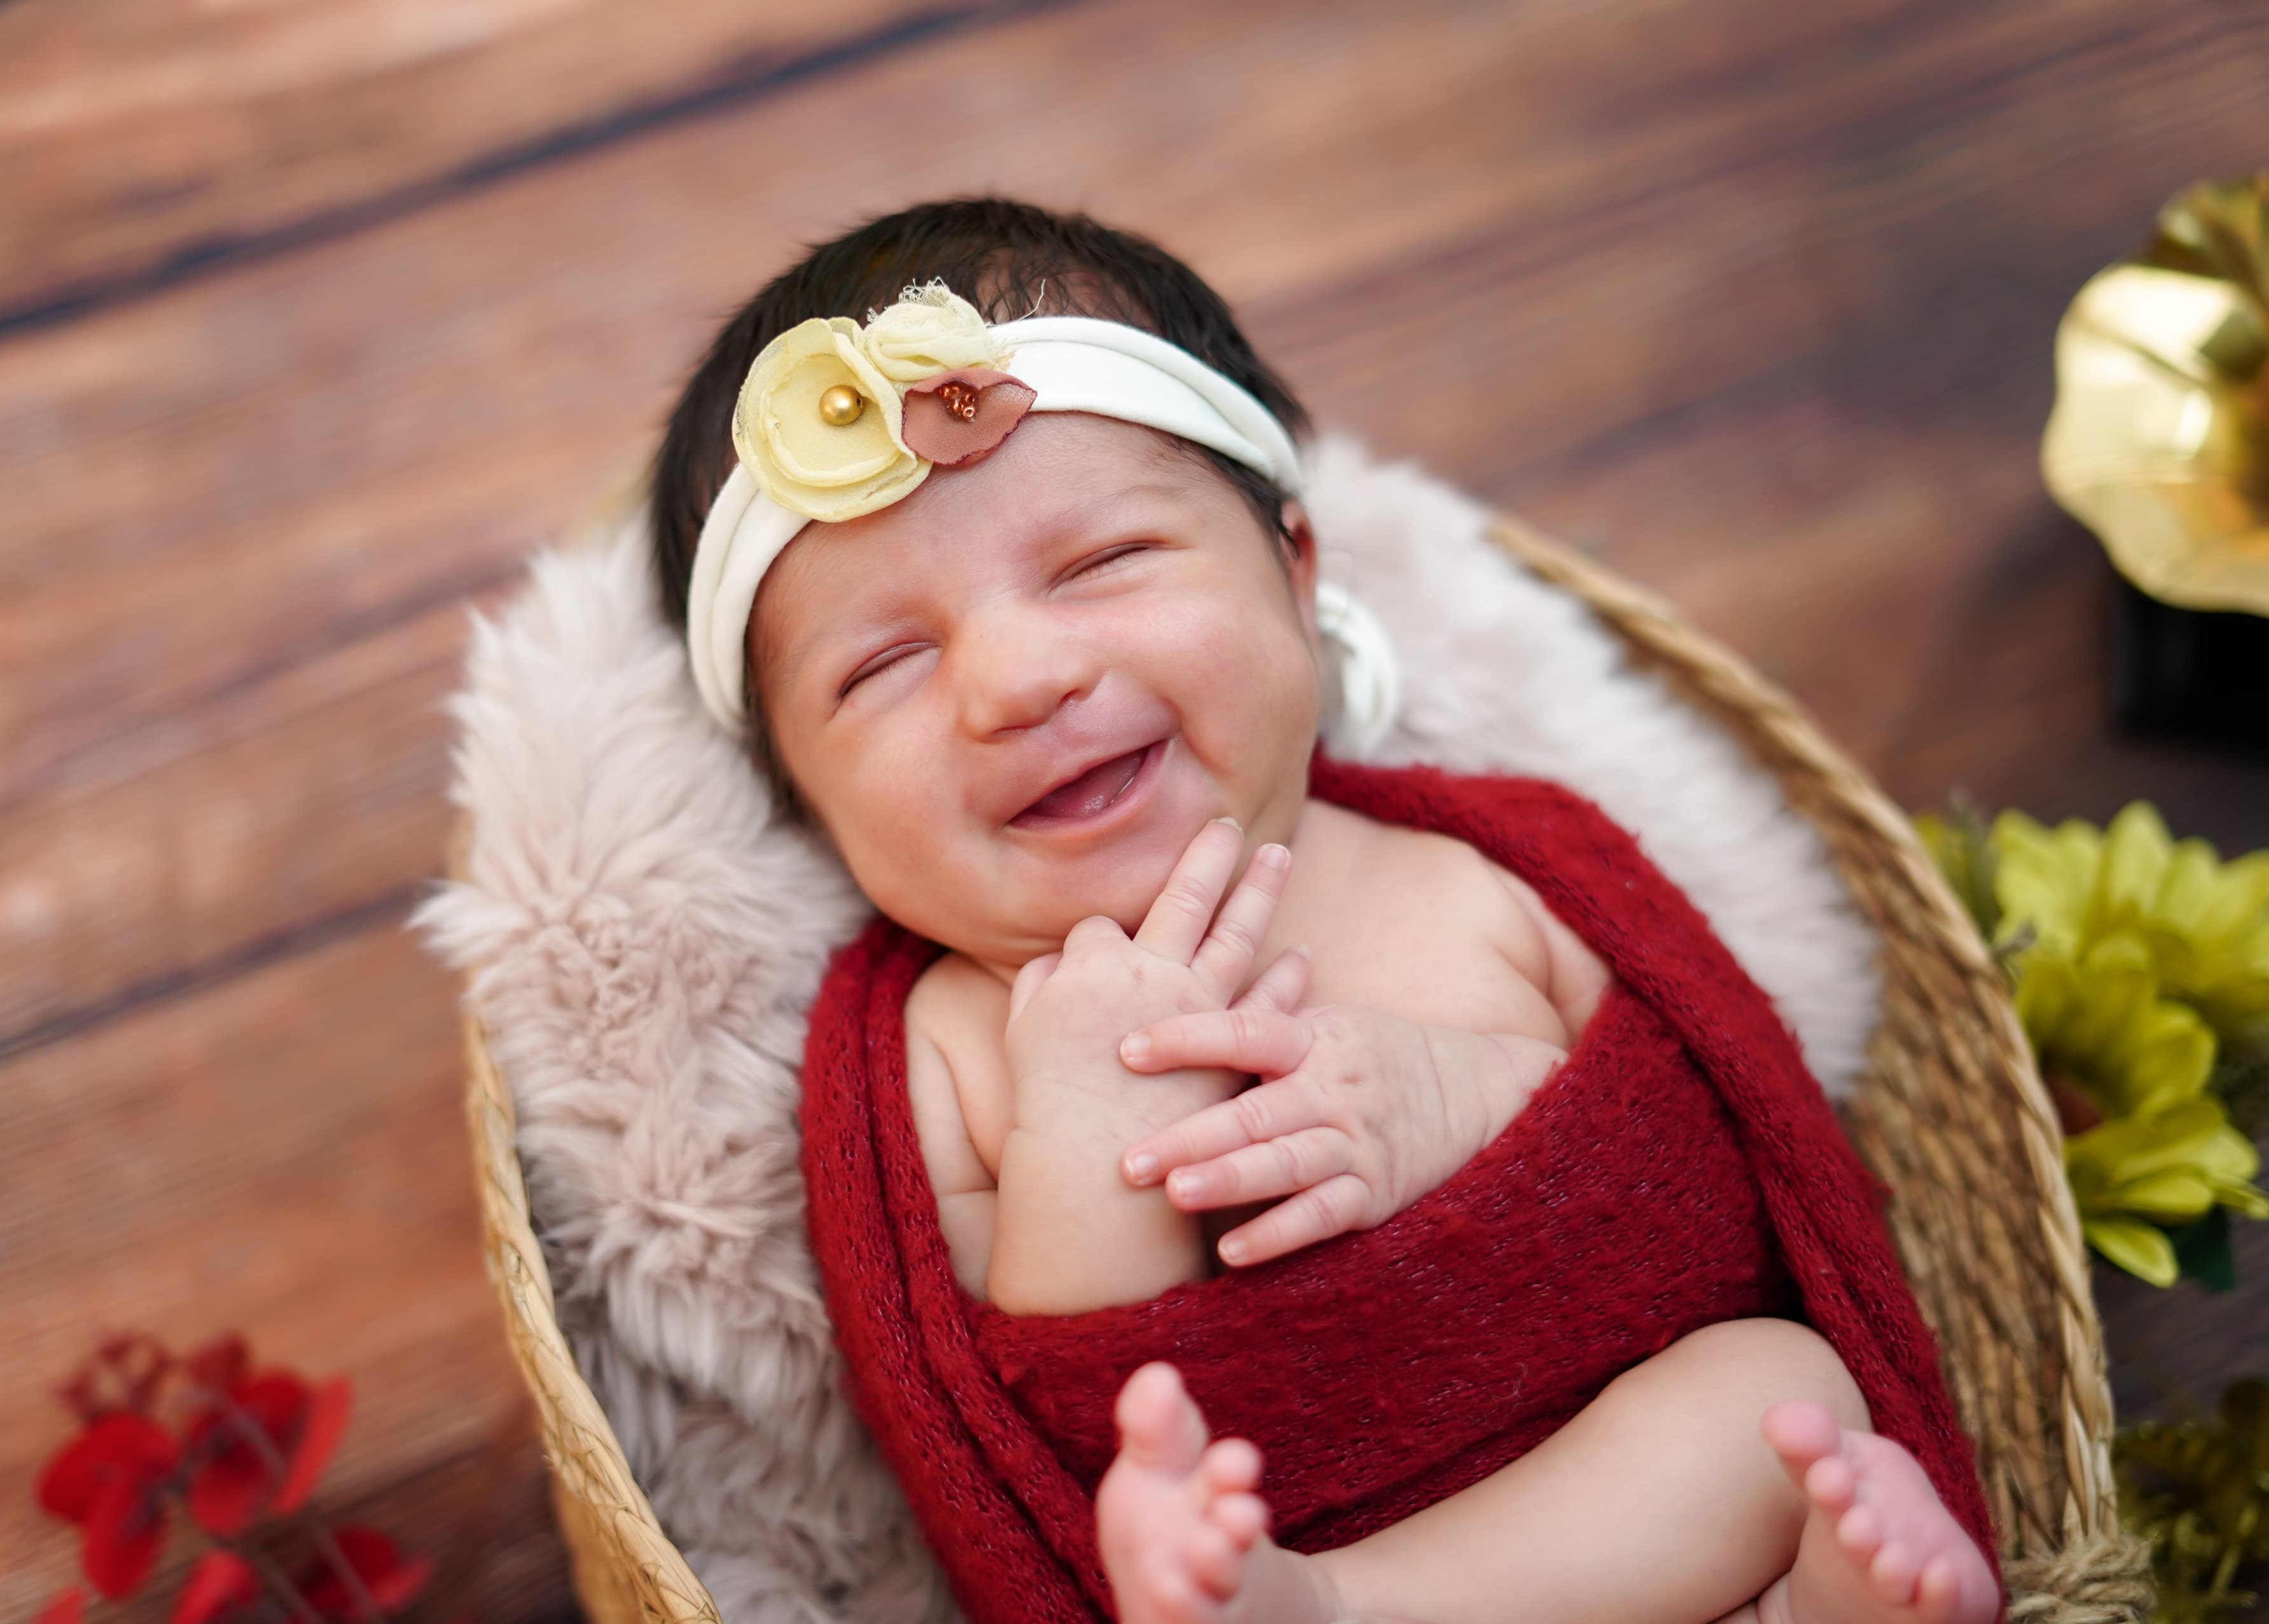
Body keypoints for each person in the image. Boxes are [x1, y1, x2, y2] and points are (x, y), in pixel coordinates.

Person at [650, 197, 2001, 1624]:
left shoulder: (1479, 870)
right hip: (1249, 1555)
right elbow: (1054, 1421)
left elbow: (1714, 1185)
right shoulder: (949, 1044)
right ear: (802, 793)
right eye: (882, 667)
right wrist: (1088, 1136)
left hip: (1651, 1540)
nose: (1015, 681)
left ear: (1295, 573)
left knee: (1781, 1387)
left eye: (1101, 563)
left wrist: (1458, 1097)